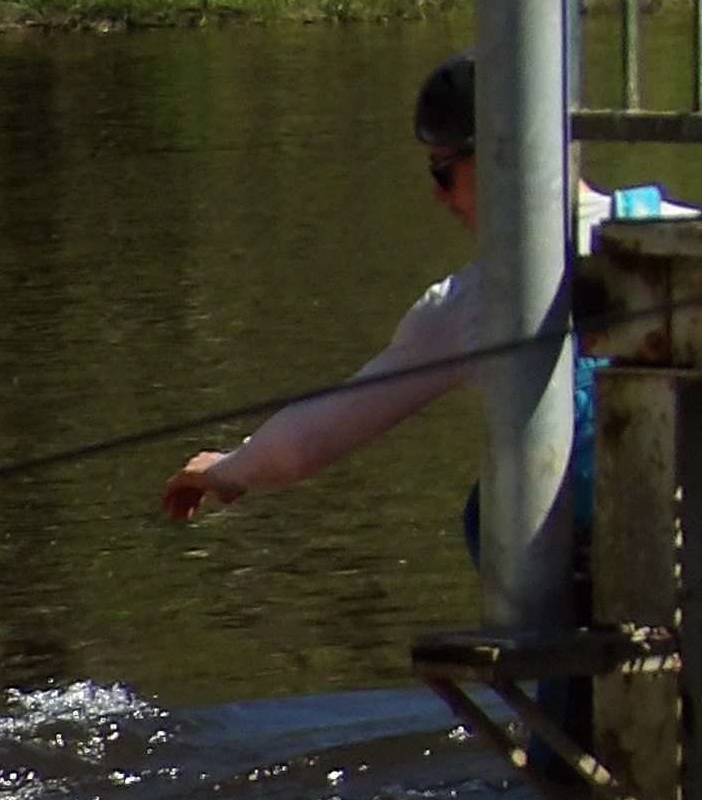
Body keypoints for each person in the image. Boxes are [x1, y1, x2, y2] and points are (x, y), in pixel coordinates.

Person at [162, 54, 611, 530]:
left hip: (580, 590)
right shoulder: (677, 236)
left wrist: (224, 470)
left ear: (499, 156)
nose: (437, 195)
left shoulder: (471, 305)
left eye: (442, 171)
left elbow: (308, 441)